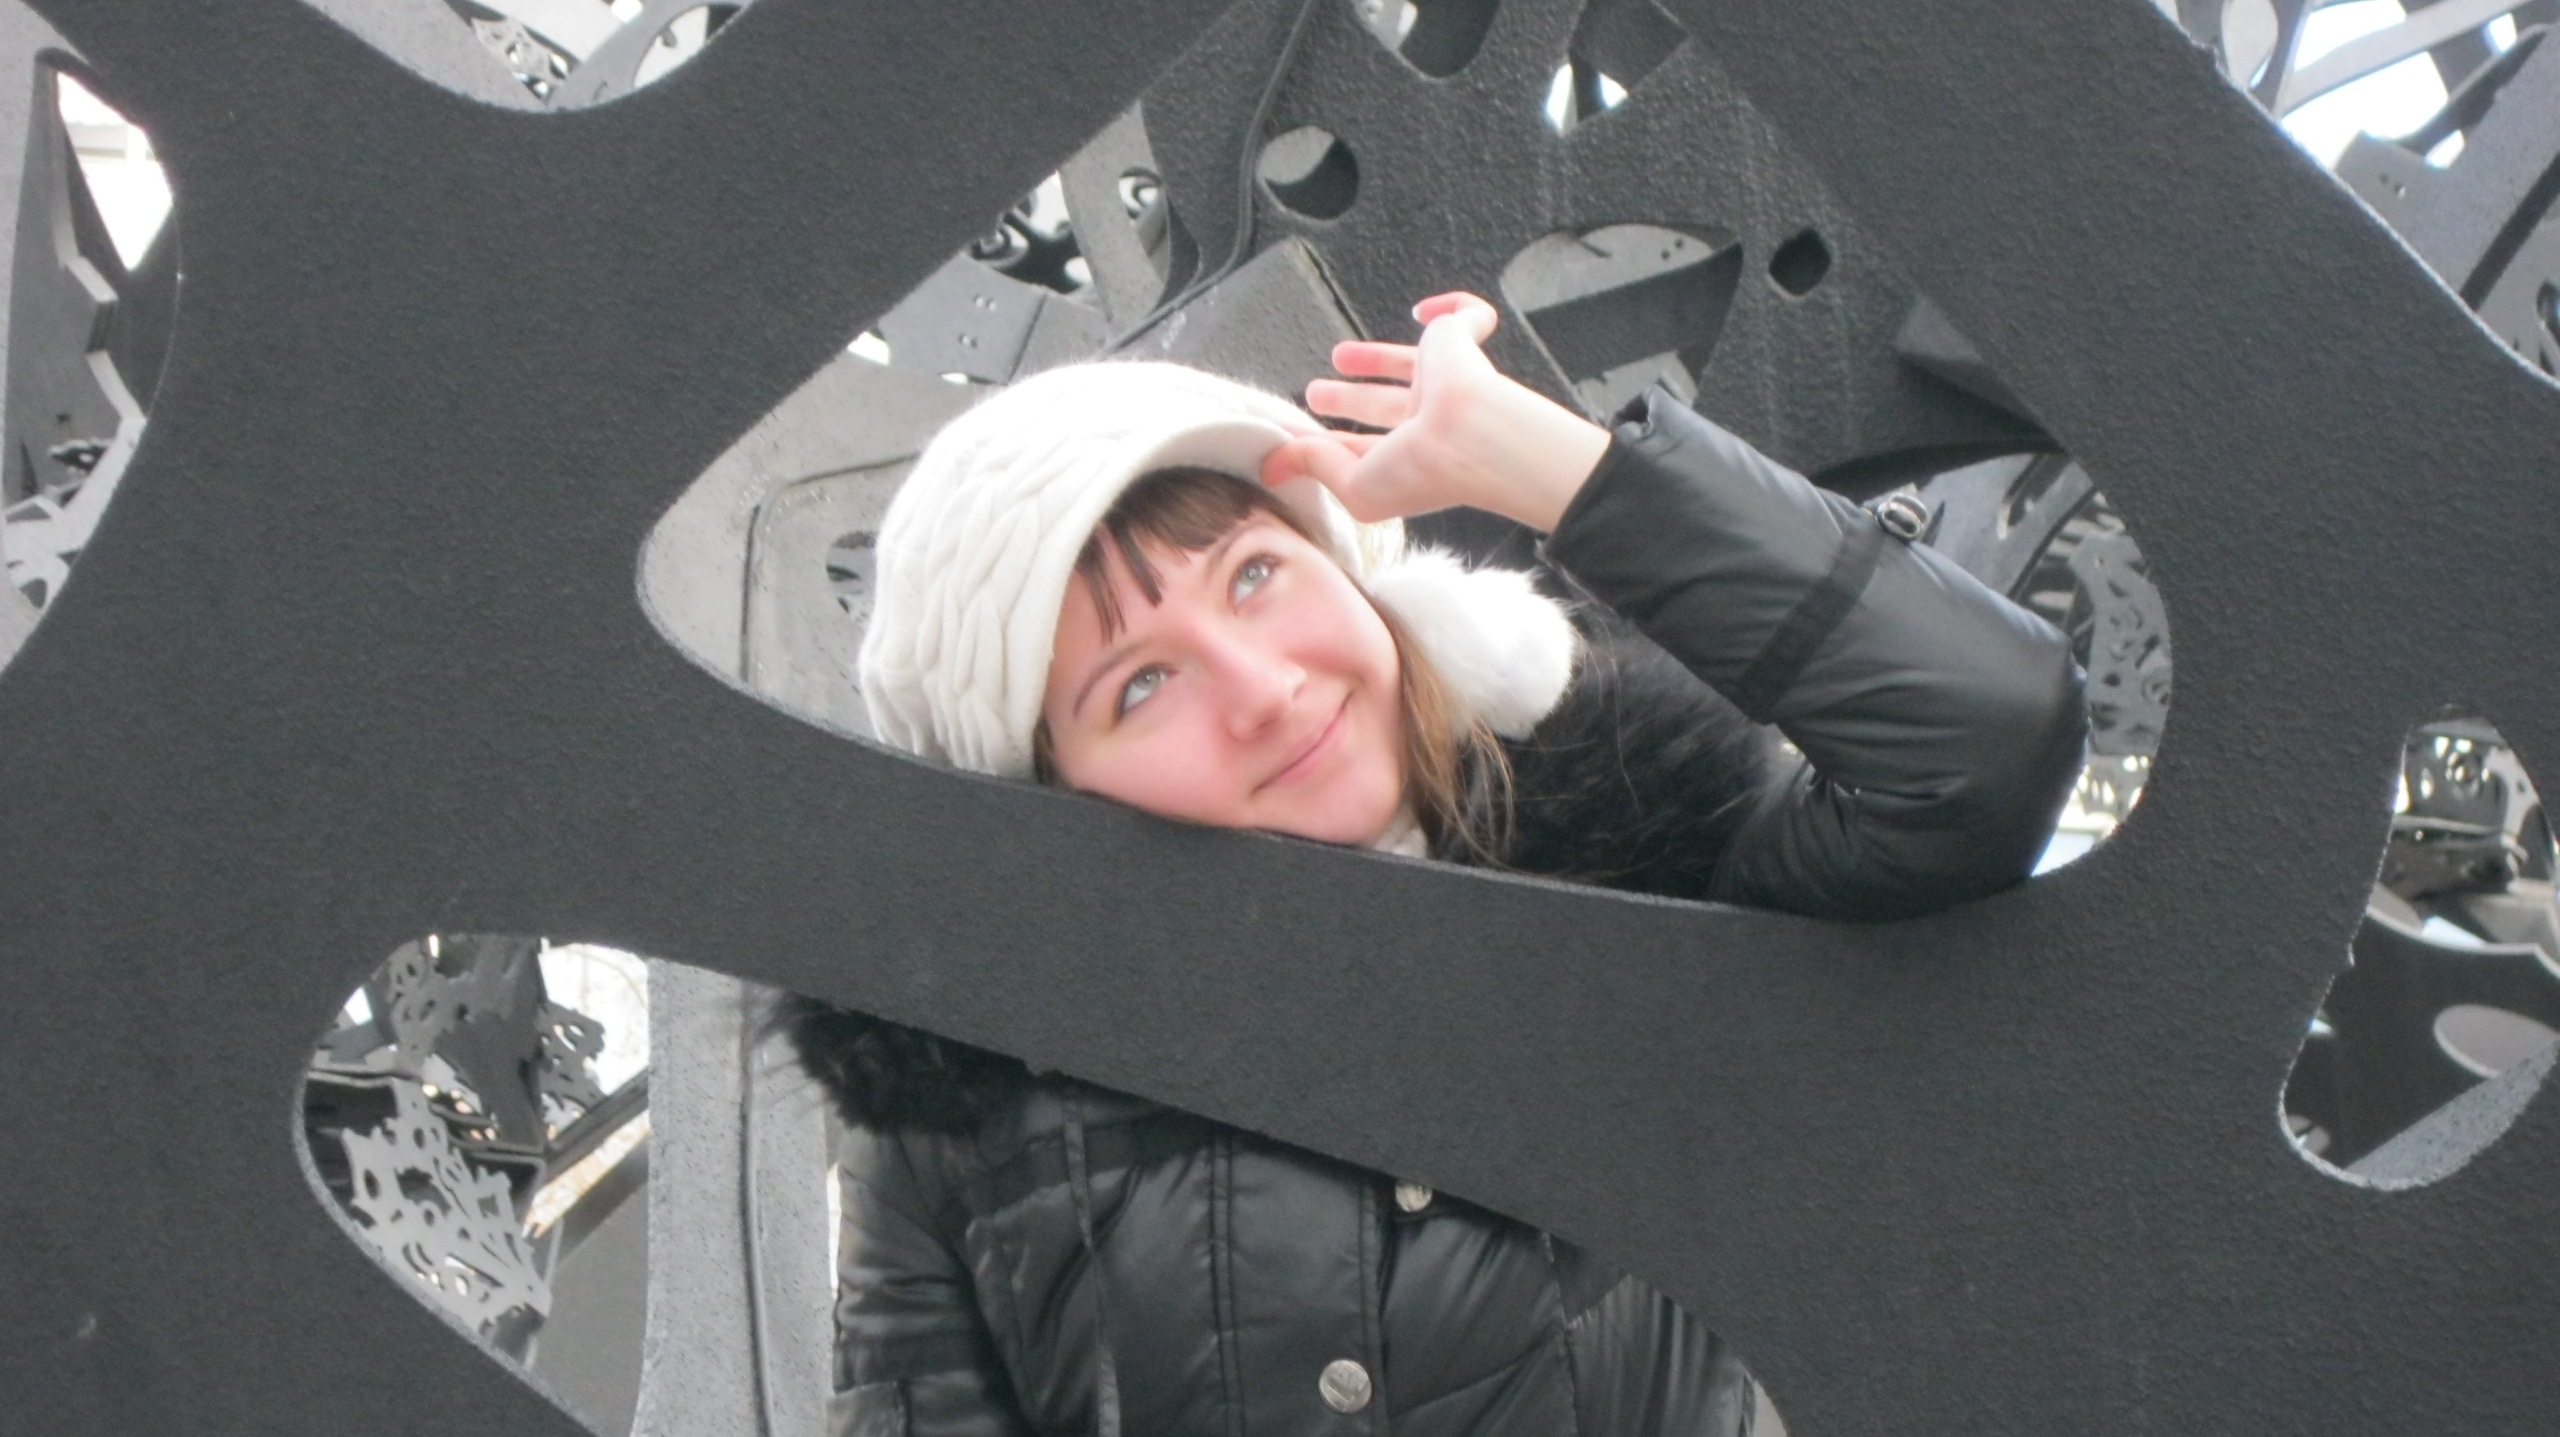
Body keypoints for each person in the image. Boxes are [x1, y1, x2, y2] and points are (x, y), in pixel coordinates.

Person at [787, 293, 2086, 1437]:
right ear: (1048, 796)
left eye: (1254, 575)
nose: (1262, 688)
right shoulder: (964, 1104)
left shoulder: (1644, 846)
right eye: (1138, 686)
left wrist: (1566, 472)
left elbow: (1983, 744)